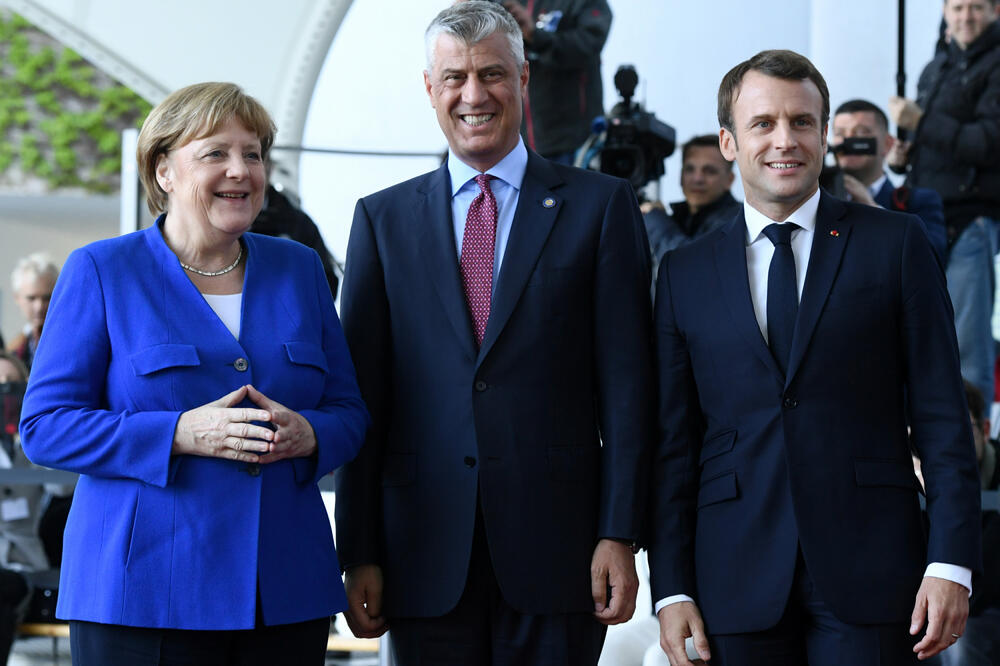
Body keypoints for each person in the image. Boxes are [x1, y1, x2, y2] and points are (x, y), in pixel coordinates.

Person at [335, 3, 653, 664]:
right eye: (454, 78)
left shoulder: (600, 207)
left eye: (492, 74)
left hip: (561, 555)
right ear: (430, 88)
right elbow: (363, 400)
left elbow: (628, 387)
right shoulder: (381, 222)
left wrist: (619, 531)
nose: (473, 95)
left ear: (524, 78)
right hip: (421, 557)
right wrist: (359, 549)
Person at [18, 82, 369, 666]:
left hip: (283, 593)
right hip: (140, 595)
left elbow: (350, 413)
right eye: (216, 153)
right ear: (164, 172)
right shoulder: (102, 270)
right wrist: (179, 433)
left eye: (253, 153)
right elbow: (45, 427)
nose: (241, 170)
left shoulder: (300, 268)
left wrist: (312, 434)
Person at [650, 50, 982, 666]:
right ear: (728, 142)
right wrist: (669, 587)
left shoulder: (896, 243)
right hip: (733, 575)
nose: (786, 140)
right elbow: (673, 444)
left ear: (825, 134)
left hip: (879, 573)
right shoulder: (682, 273)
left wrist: (950, 561)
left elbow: (941, 416)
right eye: (763, 124)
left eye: (803, 122)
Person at [888, 0, 1000, 406]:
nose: (965, 16)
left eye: (975, 7)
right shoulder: (935, 68)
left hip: (972, 221)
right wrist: (902, 157)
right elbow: (931, 144)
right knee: (913, 333)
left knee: (968, 344)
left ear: (995, 11)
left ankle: (976, 451)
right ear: (945, 11)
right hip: (923, 219)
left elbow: (988, 142)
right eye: (957, 7)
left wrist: (922, 123)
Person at [830, 99, 947, 261]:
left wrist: (871, 208)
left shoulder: (918, 202)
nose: (849, 141)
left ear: (887, 144)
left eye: (861, 133)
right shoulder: (816, 198)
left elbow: (933, 256)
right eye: (840, 134)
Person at [500, 0, 611, 163]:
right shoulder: (504, 3)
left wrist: (534, 36)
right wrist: (465, 17)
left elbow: (588, 46)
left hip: (574, 148)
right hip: (515, 149)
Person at [644, 134, 741, 271]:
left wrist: (655, 219)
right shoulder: (676, 220)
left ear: (729, 180)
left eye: (709, 171)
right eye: (689, 169)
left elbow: (689, 266)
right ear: (680, 176)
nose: (697, 179)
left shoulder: (737, 221)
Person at [7, 254, 58, 372]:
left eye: (47, 298)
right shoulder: (14, 348)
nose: (39, 307)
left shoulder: (72, 338)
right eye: (31, 298)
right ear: (17, 298)